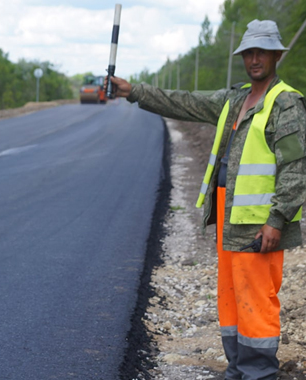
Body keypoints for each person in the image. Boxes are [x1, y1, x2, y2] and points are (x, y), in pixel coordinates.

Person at [108, 20, 306, 380]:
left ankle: (259, 373)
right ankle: (237, 369)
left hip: (260, 224)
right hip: (228, 216)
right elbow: (184, 103)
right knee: (231, 301)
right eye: (249, 52)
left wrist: (277, 220)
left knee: (257, 301)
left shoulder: (286, 103)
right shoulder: (234, 100)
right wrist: (133, 91)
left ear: (277, 54)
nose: (255, 58)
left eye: (262, 51)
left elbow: (294, 168)